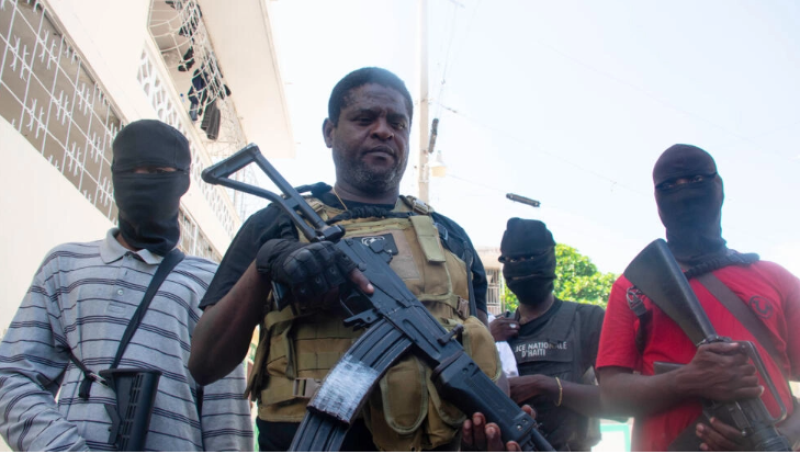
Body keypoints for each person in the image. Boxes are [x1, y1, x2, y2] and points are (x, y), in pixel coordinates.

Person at [189, 67, 500, 451]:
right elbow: (205, 364)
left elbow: (479, 359)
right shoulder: (276, 224)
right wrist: (265, 264)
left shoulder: (450, 236)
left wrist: (492, 429)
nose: (384, 131)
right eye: (365, 118)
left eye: (397, 123)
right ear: (329, 131)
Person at [0, 120, 252, 451]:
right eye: (133, 171)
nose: (144, 181)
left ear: (182, 180)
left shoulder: (211, 281)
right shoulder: (63, 264)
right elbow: (14, 378)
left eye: (158, 171)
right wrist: (61, 446)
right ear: (115, 175)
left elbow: (224, 418)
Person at [596, 144, 800, 451]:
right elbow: (611, 395)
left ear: (718, 187)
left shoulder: (776, 278)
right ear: (657, 200)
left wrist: (784, 435)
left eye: (696, 180)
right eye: (669, 186)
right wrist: (691, 379)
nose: (684, 191)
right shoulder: (633, 286)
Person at [490, 218, 606, 451]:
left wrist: (546, 385)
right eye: (513, 260)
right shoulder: (493, 331)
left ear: (549, 259)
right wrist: (487, 340)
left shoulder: (586, 319)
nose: (522, 266)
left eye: (530, 258)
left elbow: (620, 403)